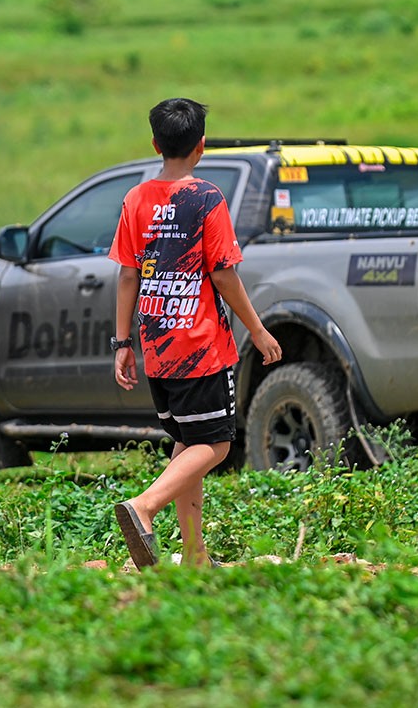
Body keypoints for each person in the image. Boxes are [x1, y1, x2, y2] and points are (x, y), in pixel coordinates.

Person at [109, 98, 282, 569]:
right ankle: (143, 507)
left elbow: (128, 275)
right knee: (218, 444)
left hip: (158, 350)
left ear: (154, 144)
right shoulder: (207, 199)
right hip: (202, 348)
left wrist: (123, 343)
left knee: (188, 444)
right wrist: (259, 330)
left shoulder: (135, 199)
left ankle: (194, 555)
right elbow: (224, 275)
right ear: (201, 146)